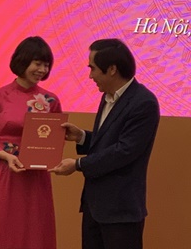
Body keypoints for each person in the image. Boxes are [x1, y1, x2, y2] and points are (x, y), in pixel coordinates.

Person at [50, 38, 160, 249]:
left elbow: (124, 151)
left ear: (111, 69)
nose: (90, 76)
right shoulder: (107, 97)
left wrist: (78, 164)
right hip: (94, 207)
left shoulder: (143, 102)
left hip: (121, 211)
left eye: (92, 68)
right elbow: (108, 142)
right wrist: (82, 137)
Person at [0, 36, 62, 249]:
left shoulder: (51, 100)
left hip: (37, 175)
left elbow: (54, 138)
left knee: (36, 229)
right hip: (6, 172)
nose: (42, 70)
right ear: (22, 61)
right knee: (3, 227)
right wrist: (5, 155)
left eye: (46, 65)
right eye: (37, 63)